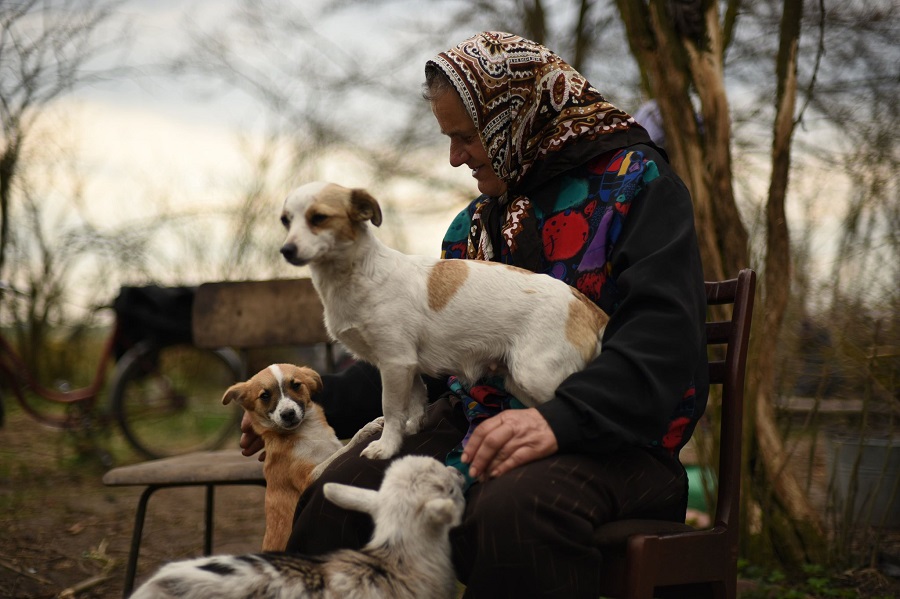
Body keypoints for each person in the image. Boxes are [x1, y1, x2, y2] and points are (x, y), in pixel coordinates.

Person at [241, 31, 708, 598]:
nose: (454, 157)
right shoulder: (475, 224)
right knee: (335, 496)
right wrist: (304, 399)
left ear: (517, 117)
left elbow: (662, 339)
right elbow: (419, 356)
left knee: (512, 509)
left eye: (467, 137)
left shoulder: (639, 186)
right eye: (449, 138)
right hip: (476, 429)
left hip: (617, 443)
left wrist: (559, 419)